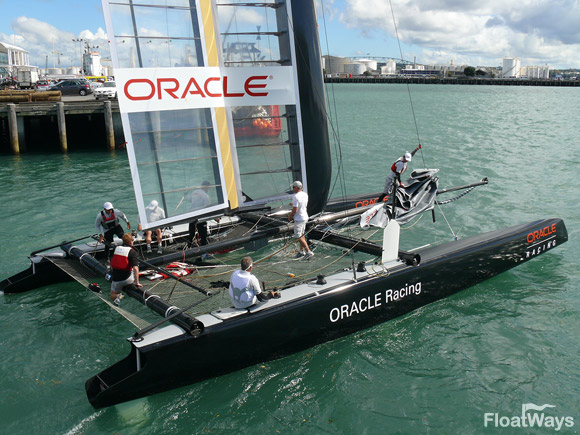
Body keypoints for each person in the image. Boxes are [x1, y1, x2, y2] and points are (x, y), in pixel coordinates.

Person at [109, 233, 142, 305]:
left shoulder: (116, 248)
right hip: (128, 279)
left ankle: (118, 296)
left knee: (112, 296)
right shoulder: (132, 252)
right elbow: (135, 268)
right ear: (131, 242)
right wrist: (137, 282)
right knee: (133, 269)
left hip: (116, 280)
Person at [288, 180, 314, 259]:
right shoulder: (305, 194)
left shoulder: (296, 196)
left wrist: (290, 216)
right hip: (305, 217)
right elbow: (301, 203)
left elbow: (295, 209)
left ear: (296, 187)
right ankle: (301, 251)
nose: (293, 189)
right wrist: (293, 203)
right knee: (302, 234)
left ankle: (308, 252)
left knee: (298, 236)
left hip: (299, 218)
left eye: (293, 187)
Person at [187, 181, 211, 248]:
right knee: (203, 234)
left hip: (192, 214)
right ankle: (204, 250)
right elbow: (207, 208)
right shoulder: (206, 196)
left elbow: (189, 200)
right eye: (208, 188)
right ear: (206, 187)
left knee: (191, 234)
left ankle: (189, 247)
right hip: (200, 216)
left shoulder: (194, 192)